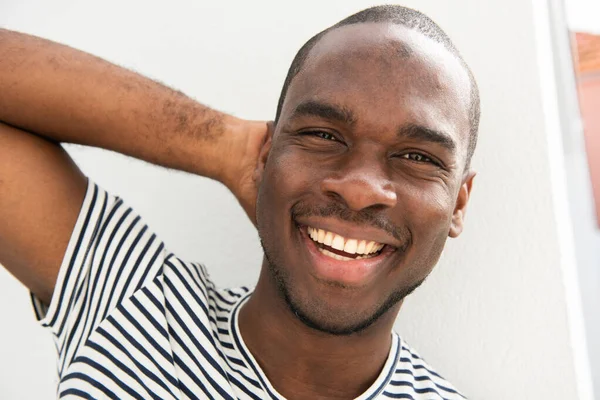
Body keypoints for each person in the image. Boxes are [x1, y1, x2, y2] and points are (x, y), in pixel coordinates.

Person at [0, 4, 479, 400]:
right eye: (321, 134)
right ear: (269, 153)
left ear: (458, 204)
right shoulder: (135, 304)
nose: (358, 188)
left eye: (416, 156)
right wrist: (227, 147)